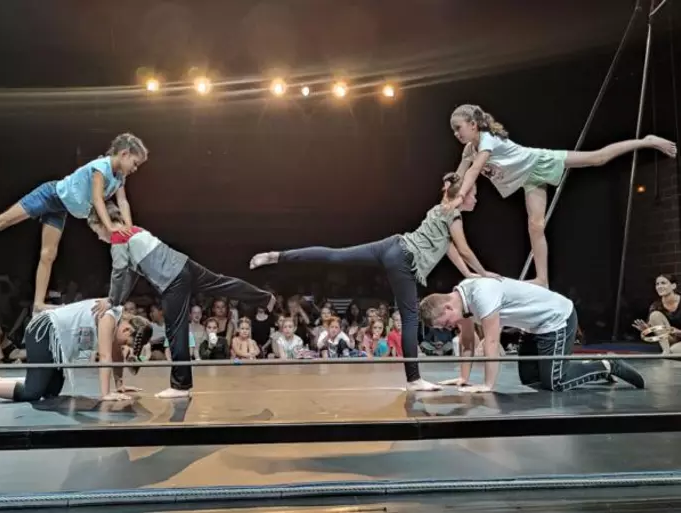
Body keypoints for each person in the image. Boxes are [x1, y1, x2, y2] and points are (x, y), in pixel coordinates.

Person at [250, 173, 498, 392]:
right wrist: (484, 273)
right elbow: (464, 249)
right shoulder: (453, 214)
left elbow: (452, 252)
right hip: (403, 260)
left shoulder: (440, 210)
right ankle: (414, 380)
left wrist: (471, 274)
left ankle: (277, 256)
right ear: (463, 195)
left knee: (337, 255)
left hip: (391, 244)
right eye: (474, 194)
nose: (476, 199)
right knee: (410, 317)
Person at [447, 104, 676, 288]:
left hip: (540, 161)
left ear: (473, 124)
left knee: (597, 158)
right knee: (536, 225)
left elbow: (474, 171)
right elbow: (459, 176)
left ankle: (647, 141)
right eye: (454, 130)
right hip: (527, 179)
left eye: (459, 128)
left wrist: (459, 199)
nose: (456, 134)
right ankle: (542, 279)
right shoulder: (470, 149)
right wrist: (448, 193)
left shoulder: (487, 140)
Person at [0, 133, 148, 311]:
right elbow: (98, 200)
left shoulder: (120, 177)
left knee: (48, 254)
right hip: (49, 195)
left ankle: (38, 303)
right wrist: (111, 227)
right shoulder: (101, 167)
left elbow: (122, 201)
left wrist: (128, 229)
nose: (135, 168)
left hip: (61, 208)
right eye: (135, 163)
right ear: (124, 154)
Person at [88, 202, 275, 399]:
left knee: (175, 330)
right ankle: (265, 299)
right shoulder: (134, 231)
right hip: (185, 265)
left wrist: (111, 300)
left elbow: (118, 273)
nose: (99, 237)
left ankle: (180, 385)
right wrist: (117, 300)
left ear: (103, 224)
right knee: (222, 283)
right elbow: (131, 274)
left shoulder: (118, 238)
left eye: (97, 231)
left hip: (172, 279)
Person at [418, 277, 645, 393]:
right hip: (533, 327)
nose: (449, 327)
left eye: (446, 323)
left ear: (448, 308)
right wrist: (464, 378)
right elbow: (467, 342)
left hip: (556, 319)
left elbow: (493, 339)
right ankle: (588, 369)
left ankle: (606, 364)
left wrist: (488, 385)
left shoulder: (480, 294)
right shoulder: (463, 302)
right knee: (531, 380)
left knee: (555, 382)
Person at [0, 299, 152, 403]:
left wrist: (121, 386)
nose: (124, 346)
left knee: (50, 391)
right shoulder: (109, 317)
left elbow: (115, 354)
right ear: (127, 329)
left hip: (54, 339)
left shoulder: (117, 321)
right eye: (127, 341)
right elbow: (106, 357)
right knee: (33, 393)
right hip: (43, 332)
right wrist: (107, 395)